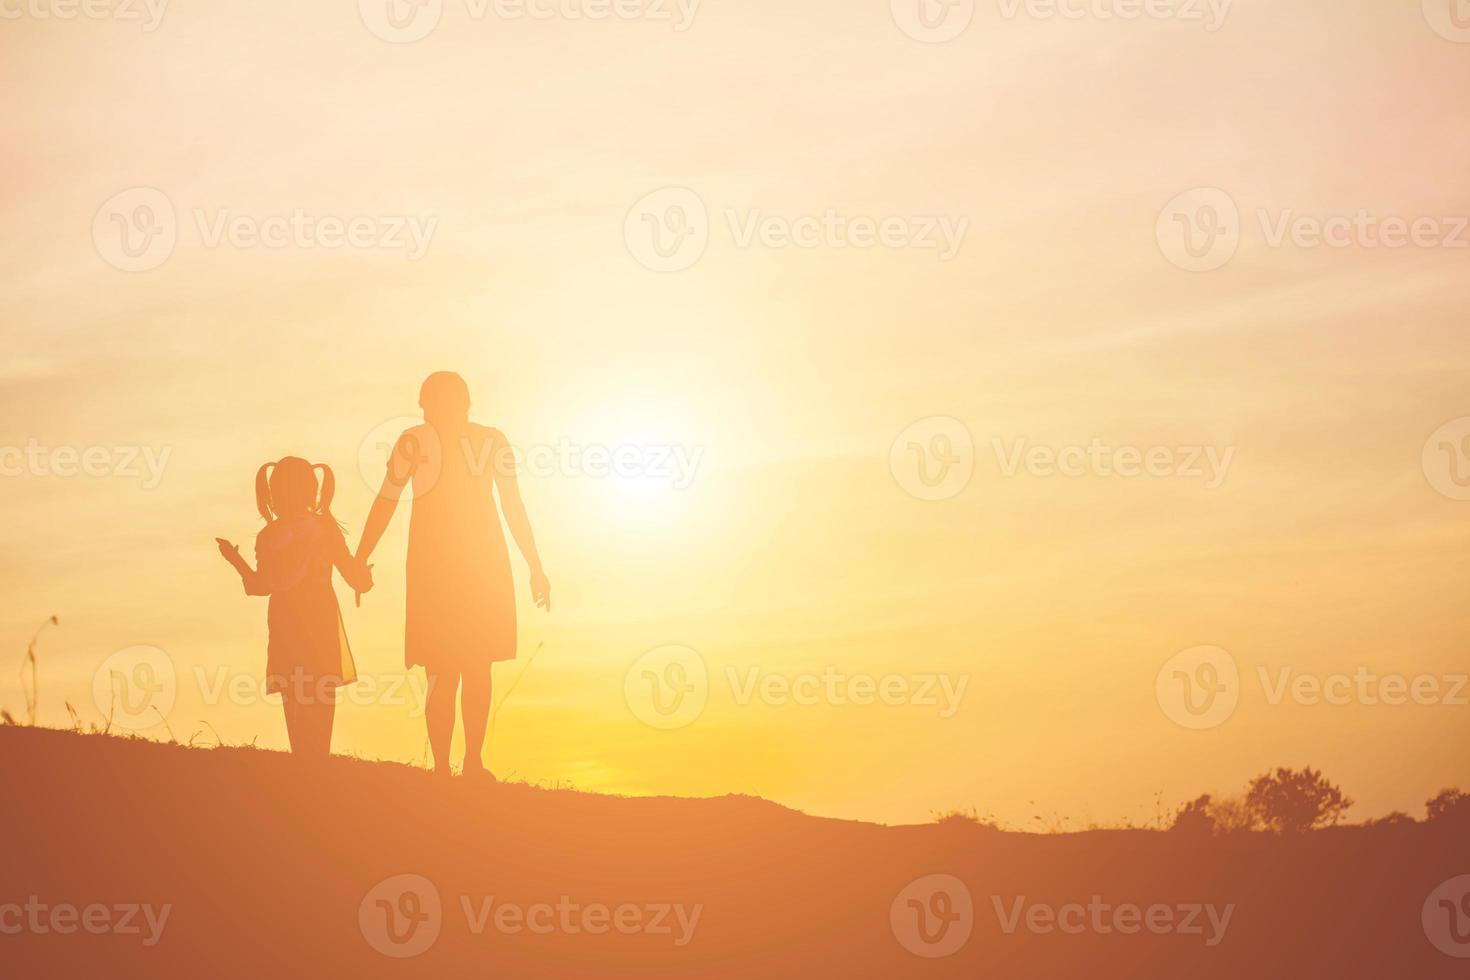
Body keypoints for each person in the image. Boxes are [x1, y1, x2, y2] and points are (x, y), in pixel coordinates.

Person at [356, 372, 549, 778]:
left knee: (469, 664)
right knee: (452, 666)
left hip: (474, 563)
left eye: (432, 401)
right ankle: (452, 764)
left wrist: (535, 564)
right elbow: (387, 500)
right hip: (445, 564)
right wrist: (359, 556)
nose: (430, 409)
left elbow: (512, 504)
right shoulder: (424, 441)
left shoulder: (488, 441)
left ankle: (466, 762)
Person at [216, 456, 373, 757]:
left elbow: (258, 587)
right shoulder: (325, 528)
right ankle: (318, 760)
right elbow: (354, 577)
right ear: (309, 490)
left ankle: (300, 757)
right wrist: (366, 578)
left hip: (285, 618)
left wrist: (235, 560)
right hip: (321, 616)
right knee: (321, 689)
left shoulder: (269, 536)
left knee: (294, 689)